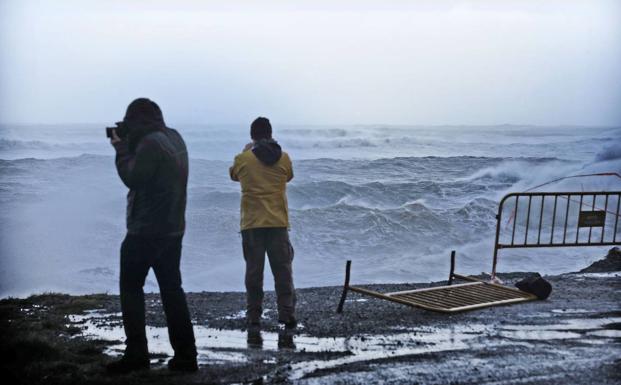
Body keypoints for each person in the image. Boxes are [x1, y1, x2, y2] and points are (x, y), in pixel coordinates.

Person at [107, 98, 198, 374]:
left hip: (145, 230)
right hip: (173, 229)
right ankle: (186, 355)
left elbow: (132, 177)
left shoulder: (149, 144)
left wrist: (120, 147)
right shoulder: (174, 138)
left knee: (131, 288)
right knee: (172, 289)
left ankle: (137, 353)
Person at [229, 117, 297, 329]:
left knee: (253, 273)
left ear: (252, 136)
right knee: (283, 271)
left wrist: (245, 151)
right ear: (270, 133)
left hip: (252, 224)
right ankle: (286, 313)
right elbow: (289, 177)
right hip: (277, 222)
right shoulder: (283, 158)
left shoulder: (242, 159)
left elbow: (233, 176)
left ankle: (254, 315)